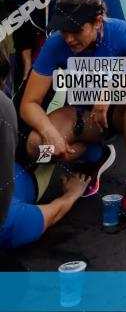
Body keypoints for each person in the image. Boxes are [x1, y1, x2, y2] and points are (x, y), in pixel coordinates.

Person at [20, 0, 126, 218]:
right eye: (63, 30)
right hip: (86, 117)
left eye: (75, 30)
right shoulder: (57, 43)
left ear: (97, 21)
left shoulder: (120, 31)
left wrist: (112, 88)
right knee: (37, 148)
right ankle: (94, 156)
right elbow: (29, 103)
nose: (68, 38)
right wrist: (49, 132)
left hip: (123, 114)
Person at [0, 42, 90, 250]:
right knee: (53, 148)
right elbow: (54, 211)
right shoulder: (8, 223)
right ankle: (95, 148)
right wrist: (72, 193)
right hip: (32, 164)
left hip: (10, 142)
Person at [0, 0, 102, 91]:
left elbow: (91, 22)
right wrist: (28, 65)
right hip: (33, 9)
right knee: (26, 78)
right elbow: (21, 26)